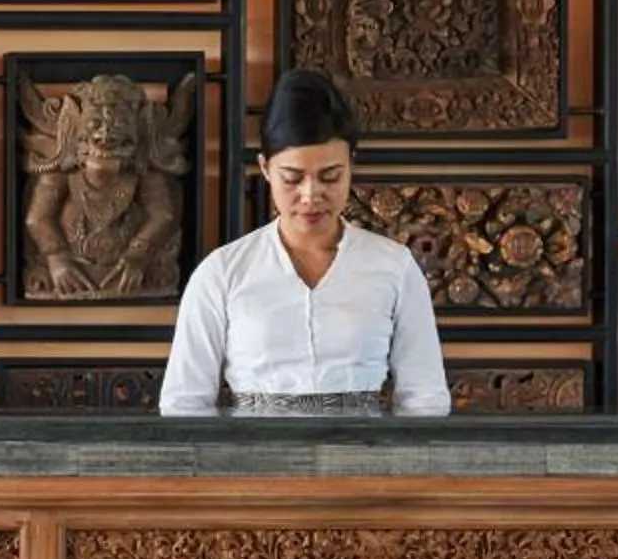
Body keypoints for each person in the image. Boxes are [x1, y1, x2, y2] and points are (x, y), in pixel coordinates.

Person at [158, 70, 450, 416]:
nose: (311, 196)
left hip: (365, 460)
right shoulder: (222, 272)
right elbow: (184, 404)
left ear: (351, 164)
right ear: (265, 169)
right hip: (252, 462)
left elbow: (425, 399)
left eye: (330, 177)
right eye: (292, 178)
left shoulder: (394, 267)